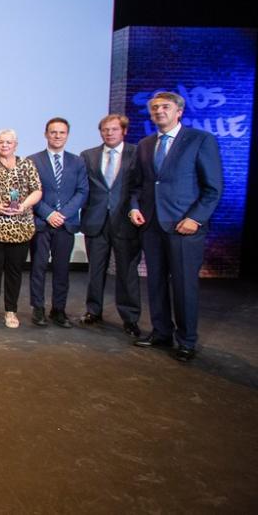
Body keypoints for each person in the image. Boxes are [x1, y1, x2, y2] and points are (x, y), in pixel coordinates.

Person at [130, 91, 222, 362]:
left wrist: (195, 218)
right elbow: (138, 184)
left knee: (184, 285)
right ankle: (161, 332)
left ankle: (187, 340)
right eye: (155, 107)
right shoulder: (146, 144)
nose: (159, 111)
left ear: (179, 111)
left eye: (165, 107)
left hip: (185, 226)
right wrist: (134, 207)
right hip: (152, 225)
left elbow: (213, 188)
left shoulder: (200, 140)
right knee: (155, 282)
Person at [80, 114, 143, 337]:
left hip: (125, 221)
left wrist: (135, 208)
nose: (109, 133)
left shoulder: (136, 153)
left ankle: (130, 318)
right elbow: (83, 188)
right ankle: (93, 311)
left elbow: (139, 187)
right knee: (95, 270)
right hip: (95, 220)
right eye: (105, 130)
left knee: (127, 271)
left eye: (114, 129)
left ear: (123, 131)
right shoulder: (88, 155)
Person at [0, 129, 42, 329]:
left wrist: (24, 205)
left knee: (14, 271)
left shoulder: (27, 164)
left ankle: (11, 311)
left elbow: (37, 190)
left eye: (8, 142)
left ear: (15, 144)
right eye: (1, 142)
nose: (4, 145)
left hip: (20, 227)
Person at [27, 118, 88, 328]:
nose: (57, 136)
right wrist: (48, 213)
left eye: (61, 132)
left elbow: (82, 191)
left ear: (67, 135)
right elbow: (30, 192)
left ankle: (59, 309)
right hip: (41, 223)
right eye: (53, 132)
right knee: (38, 267)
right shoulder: (33, 160)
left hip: (66, 223)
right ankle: (38, 308)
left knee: (62, 269)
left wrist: (62, 214)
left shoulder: (77, 162)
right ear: (46, 134)